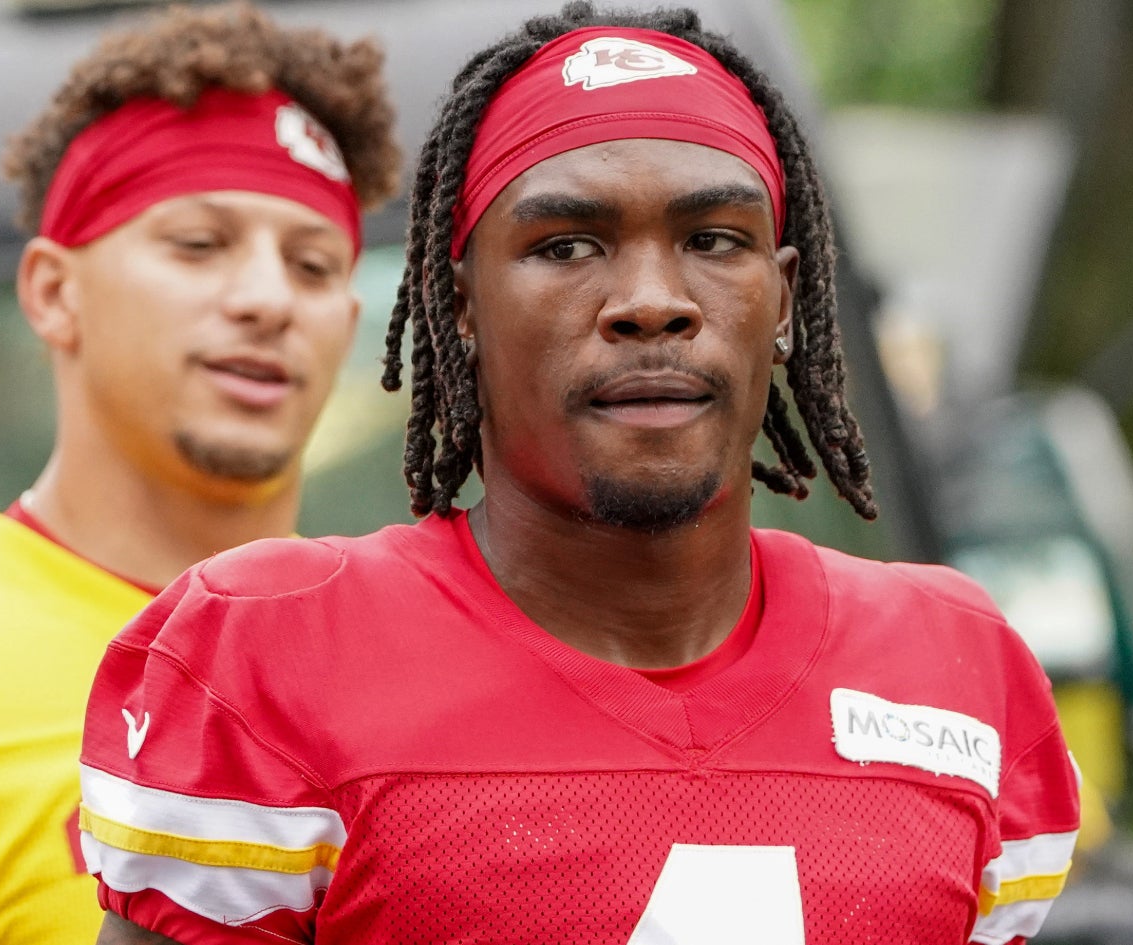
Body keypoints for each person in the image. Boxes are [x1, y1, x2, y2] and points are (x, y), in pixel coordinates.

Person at [80, 3, 1080, 943]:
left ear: (780, 301)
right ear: (458, 302)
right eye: (565, 245)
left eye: (711, 240)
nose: (650, 301)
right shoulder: (266, 657)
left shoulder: (956, 668)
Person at [0, 3, 399, 943]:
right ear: (51, 290)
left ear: (349, 328)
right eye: (199, 245)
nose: (269, 299)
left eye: (314, 266)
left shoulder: (421, 658)